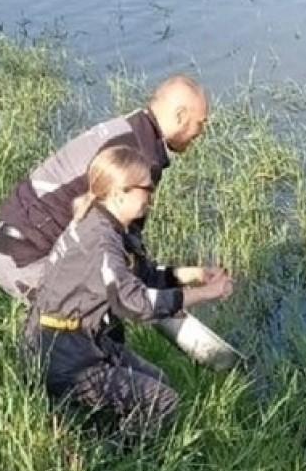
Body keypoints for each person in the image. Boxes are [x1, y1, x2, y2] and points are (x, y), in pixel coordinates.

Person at [25, 146, 233, 438]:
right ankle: (121, 460)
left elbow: (139, 277)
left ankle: (99, 427)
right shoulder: (100, 240)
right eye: (146, 189)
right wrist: (204, 294)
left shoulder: (102, 222)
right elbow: (133, 302)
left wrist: (194, 275)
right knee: (163, 402)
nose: (152, 197)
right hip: (64, 359)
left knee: (158, 379)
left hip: (76, 343)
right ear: (120, 192)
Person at [0, 75, 209, 302]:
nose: (201, 132)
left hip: (4, 237)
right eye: (200, 123)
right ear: (180, 116)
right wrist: (174, 287)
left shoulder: (131, 127)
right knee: (96, 311)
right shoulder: (141, 160)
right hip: (25, 257)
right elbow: (124, 251)